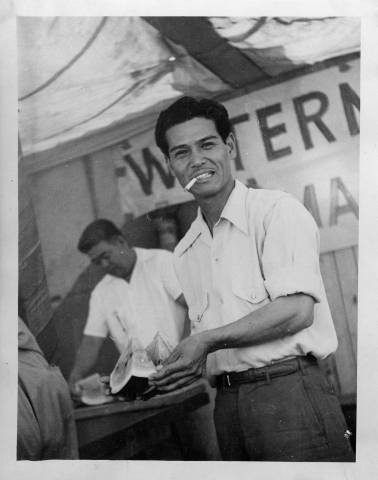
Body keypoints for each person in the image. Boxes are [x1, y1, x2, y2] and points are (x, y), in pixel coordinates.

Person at [149, 96, 355, 461]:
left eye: (207, 144)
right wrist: (167, 371)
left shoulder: (276, 211)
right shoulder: (185, 251)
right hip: (226, 405)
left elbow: (296, 312)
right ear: (170, 166)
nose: (196, 160)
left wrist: (206, 342)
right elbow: (210, 340)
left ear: (229, 146)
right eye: (181, 153)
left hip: (289, 393)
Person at [68, 219, 188, 399]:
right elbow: (92, 341)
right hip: (143, 384)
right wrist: (75, 376)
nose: (104, 265)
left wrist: (186, 352)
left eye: (106, 256)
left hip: (184, 371)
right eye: (97, 262)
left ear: (120, 242)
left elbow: (195, 308)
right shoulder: (101, 292)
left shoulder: (161, 262)